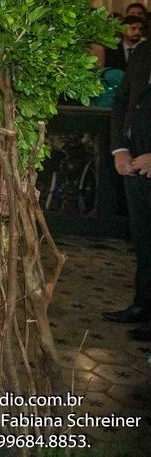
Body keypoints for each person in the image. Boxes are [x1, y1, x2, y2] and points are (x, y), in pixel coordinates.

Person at [105, 39, 151, 340]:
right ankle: (143, 305)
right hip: (135, 163)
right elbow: (122, 101)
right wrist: (120, 149)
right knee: (144, 240)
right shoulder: (144, 50)